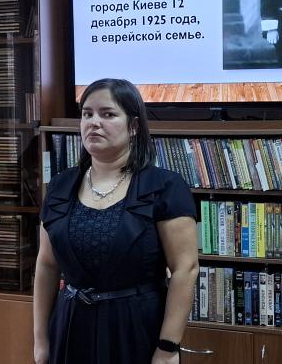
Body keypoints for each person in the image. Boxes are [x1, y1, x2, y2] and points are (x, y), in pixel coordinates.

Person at [33, 78, 200, 364]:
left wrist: (167, 347)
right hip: (71, 325)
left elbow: (185, 268)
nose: (94, 123)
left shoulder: (164, 187)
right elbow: (47, 265)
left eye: (108, 114)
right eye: (87, 114)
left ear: (133, 126)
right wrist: (40, 340)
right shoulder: (60, 187)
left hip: (135, 328)